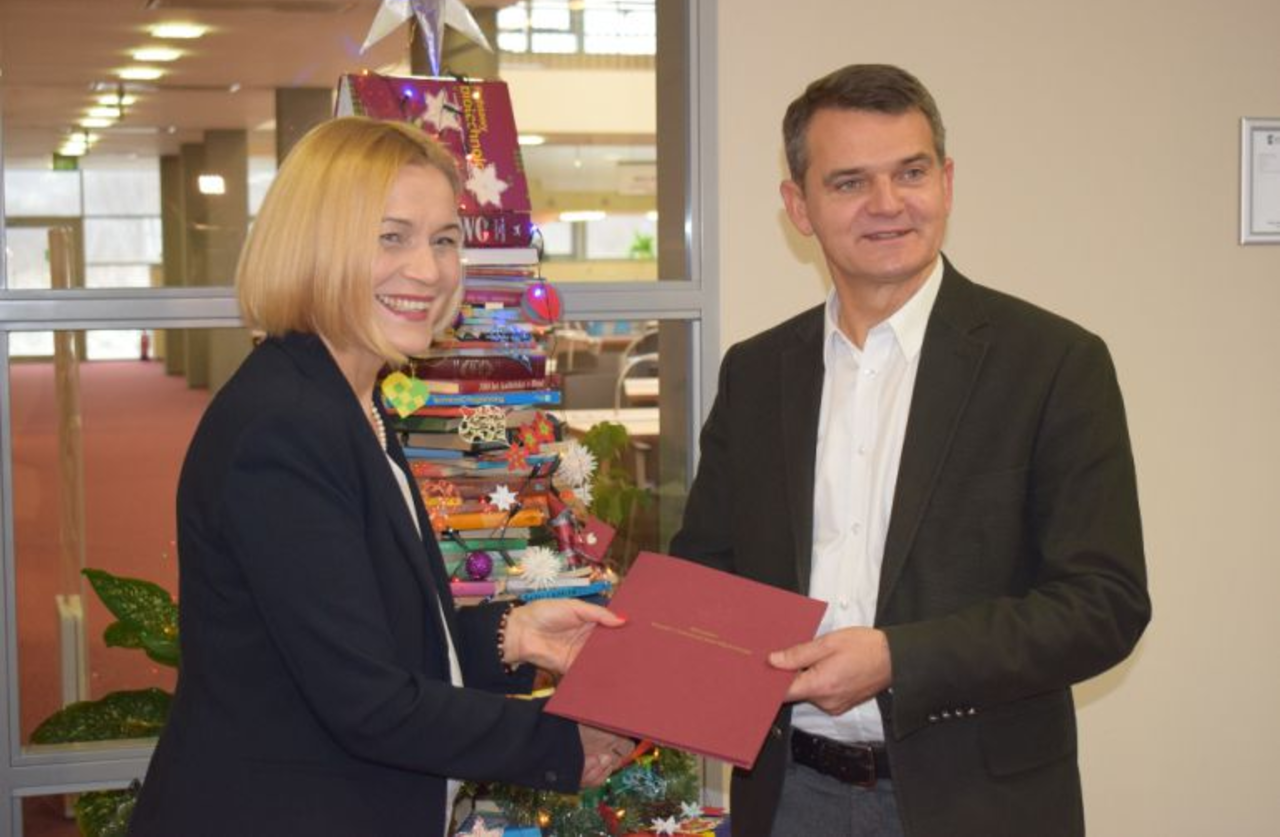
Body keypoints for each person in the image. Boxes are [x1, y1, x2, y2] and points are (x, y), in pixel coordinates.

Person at [670, 64, 1150, 837]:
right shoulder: (757, 373)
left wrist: (899, 659)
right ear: (799, 206)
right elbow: (706, 575)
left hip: (980, 804)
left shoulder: (1054, 363)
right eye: (850, 182)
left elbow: (1104, 605)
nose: (888, 203)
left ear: (947, 183)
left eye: (911, 173)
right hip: (788, 796)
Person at [128, 116, 633, 837]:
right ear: (314, 246)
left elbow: (369, 635)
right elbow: (368, 702)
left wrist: (515, 635)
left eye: (444, 240)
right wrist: (558, 744)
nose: (427, 270)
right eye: (391, 237)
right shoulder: (286, 425)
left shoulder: (352, 401)